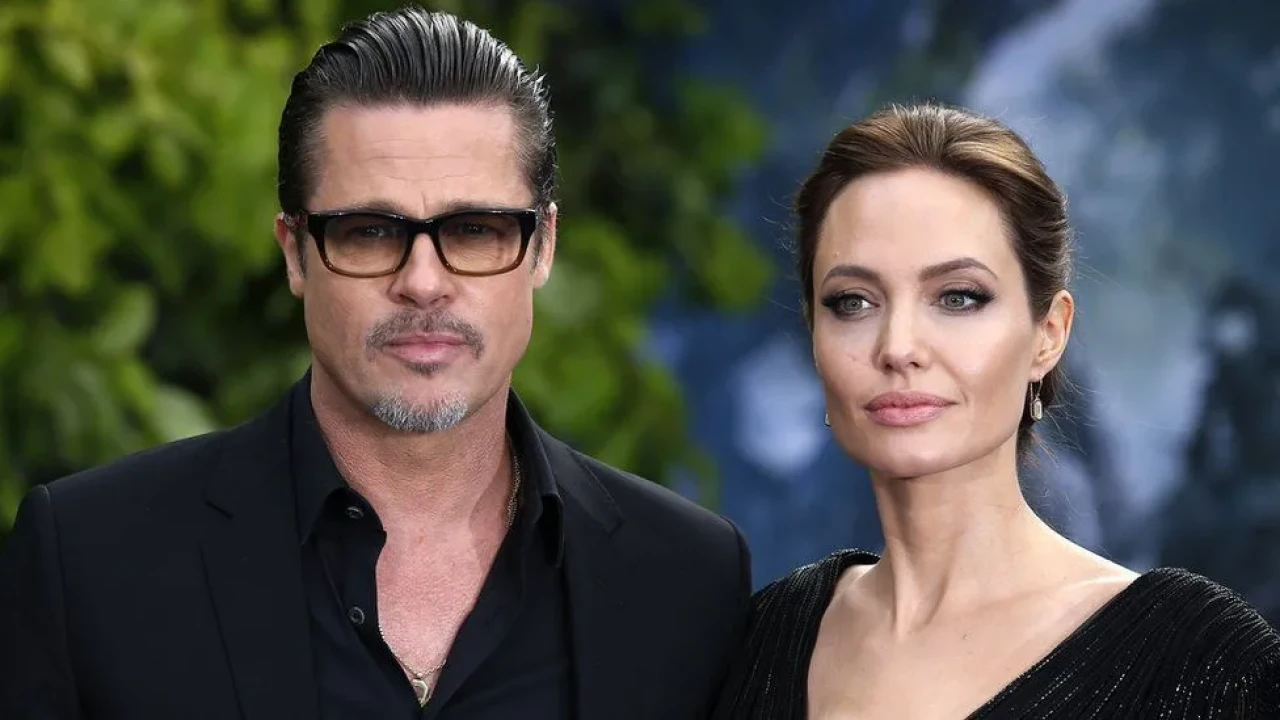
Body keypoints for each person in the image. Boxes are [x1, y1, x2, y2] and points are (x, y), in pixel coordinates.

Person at [0, 7, 751, 719]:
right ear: (295, 252)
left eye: (475, 229)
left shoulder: (688, 580)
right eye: (368, 232)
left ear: (543, 246)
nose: (423, 282)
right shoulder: (91, 563)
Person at [713, 103, 1280, 718]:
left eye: (958, 297)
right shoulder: (764, 635)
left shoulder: (1201, 665)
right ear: (814, 333)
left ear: (1049, 335)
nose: (898, 347)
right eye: (853, 301)